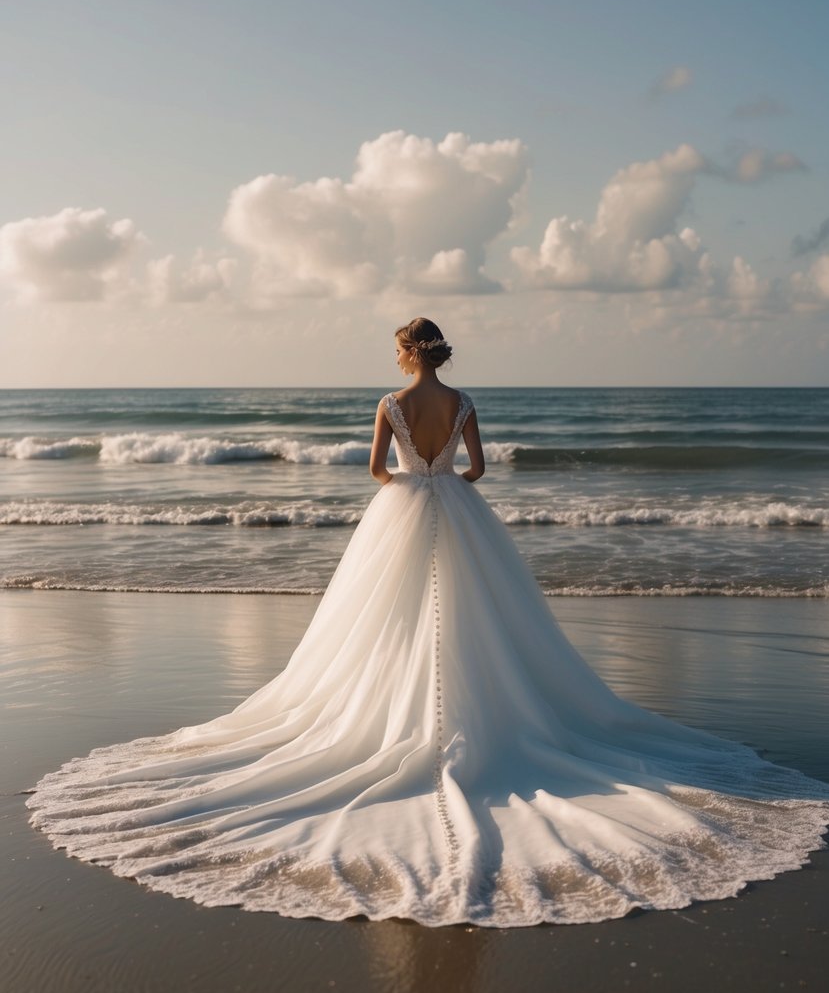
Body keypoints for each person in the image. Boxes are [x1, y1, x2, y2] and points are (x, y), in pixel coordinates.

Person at [28, 318, 829, 927]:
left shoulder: (391, 404)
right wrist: (448, 470)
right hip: (462, 509)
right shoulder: (465, 401)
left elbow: (377, 469)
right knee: (486, 619)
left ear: (407, 355)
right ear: (440, 355)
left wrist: (409, 473)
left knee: (385, 623)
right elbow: (479, 468)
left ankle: (394, 722)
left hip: (402, 510)